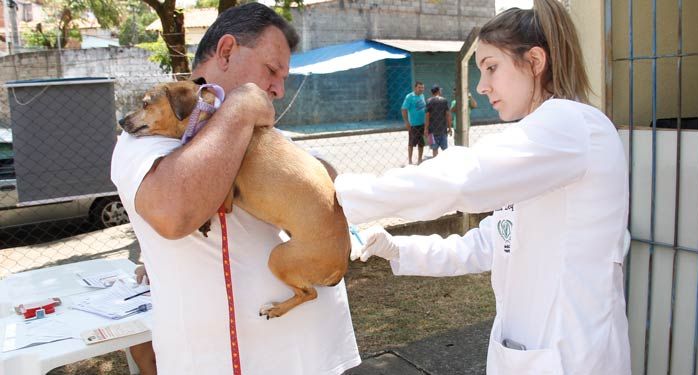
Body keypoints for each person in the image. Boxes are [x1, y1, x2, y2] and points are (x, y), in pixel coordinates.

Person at [334, 1, 631, 373]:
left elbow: (463, 176)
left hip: (571, 355)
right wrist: (399, 248)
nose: (482, 86)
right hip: (529, 353)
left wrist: (341, 195)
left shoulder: (571, 124)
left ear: (535, 62)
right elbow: (488, 243)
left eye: (492, 67)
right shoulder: (545, 146)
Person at [110, 4, 360, 374]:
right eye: (272, 70)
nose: (277, 88)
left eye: (283, 78)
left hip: (317, 353)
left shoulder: (253, 132)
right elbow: (174, 211)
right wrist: (240, 107)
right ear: (226, 52)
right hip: (236, 362)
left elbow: (326, 175)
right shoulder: (149, 139)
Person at [401, 81, 426, 165]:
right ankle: (410, 161)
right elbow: (403, 109)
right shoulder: (409, 97)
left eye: (422, 87)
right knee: (411, 143)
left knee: (421, 143)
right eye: (419, 87)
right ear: (415, 88)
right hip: (413, 124)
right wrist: (406, 122)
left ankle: (419, 160)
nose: (421, 89)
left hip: (422, 123)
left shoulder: (422, 96)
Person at [424, 85, 452, 157]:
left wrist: (426, 129)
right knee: (445, 150)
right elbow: (447, 115)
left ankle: (435, 163)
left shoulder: (428, 101)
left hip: (431, 131)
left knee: (434, 149)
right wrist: (449, 127)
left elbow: (427, 116)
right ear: (438, 91)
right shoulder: (444, 100)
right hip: (443, 130)